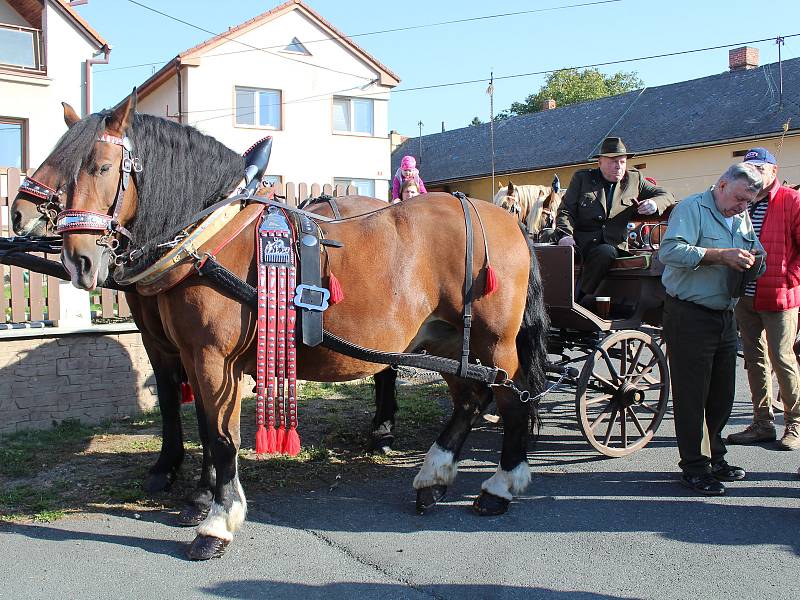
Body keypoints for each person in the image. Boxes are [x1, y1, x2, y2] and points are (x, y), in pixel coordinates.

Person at [660, 162, 766, 495]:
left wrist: (756, 259)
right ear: (721, 186)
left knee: (722, 395)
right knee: (693, 396)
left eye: (748, 202)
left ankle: (715, 457)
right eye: (738, 199)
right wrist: (720, 255)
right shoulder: (692, 208)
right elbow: (670, 251)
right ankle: (694, 467)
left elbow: (752, 247)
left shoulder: (740, 215)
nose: (742, 207)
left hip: (724, 314)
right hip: (689, 313)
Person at [727, 148, 800, 451]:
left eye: (759, 166)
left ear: (773, 169)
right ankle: (762, 423)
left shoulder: (791, 200)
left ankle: (795, 424)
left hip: (780, 295)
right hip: (746, 295)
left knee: (782, 359)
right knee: (754, 361)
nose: (754, 171)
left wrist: (789, 279)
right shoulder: (745, 201)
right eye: (749, 167)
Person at [555, 137, 675, 301]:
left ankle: (580, 299)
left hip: (614, 246)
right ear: (600, 162)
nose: (618, 166)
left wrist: (654, 203)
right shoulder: (583, 179)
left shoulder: (634, 179)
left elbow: (667, 195)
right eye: (612, 161)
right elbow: (565, 211)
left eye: (622, 162)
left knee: (606, 251)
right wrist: (565, 235)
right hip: (581, 246)